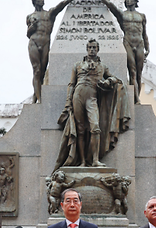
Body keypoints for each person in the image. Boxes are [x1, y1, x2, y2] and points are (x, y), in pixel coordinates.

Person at [55, 39, 131, 169]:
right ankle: (83, 161)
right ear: (87, 48)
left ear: (98, 49)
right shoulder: (77, 65)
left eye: (94, 47)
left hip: (92, 97)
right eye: (90, 47)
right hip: (78, 96)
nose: (92, 50)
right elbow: (71, 84)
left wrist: (108, 81)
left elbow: (115, 79)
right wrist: (68, 102)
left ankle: (95, 160)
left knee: (95, 127)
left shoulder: (102, 67)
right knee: (80, 129)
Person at [89, 0, 149, 104]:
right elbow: (109, 3)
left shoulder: (141, 16)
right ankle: (136, 100)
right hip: (128, 43)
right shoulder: (122, 14)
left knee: (139, 74)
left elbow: (144, 33)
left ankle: (137, 97)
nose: (128, 0)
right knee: (132, 71)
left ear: (136, 1)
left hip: (140, 44)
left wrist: (148, 48)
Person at [27, 0, 87, 103]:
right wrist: (32, 27)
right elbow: (28, 33)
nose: (41, 0)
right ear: (34, 1)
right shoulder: (30, 16)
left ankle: (36, 95)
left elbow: (64, 2)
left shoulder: (49, 14)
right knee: (36, 70)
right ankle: (39, 99)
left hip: (45, 42)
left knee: (43, 72)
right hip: (34, 42)